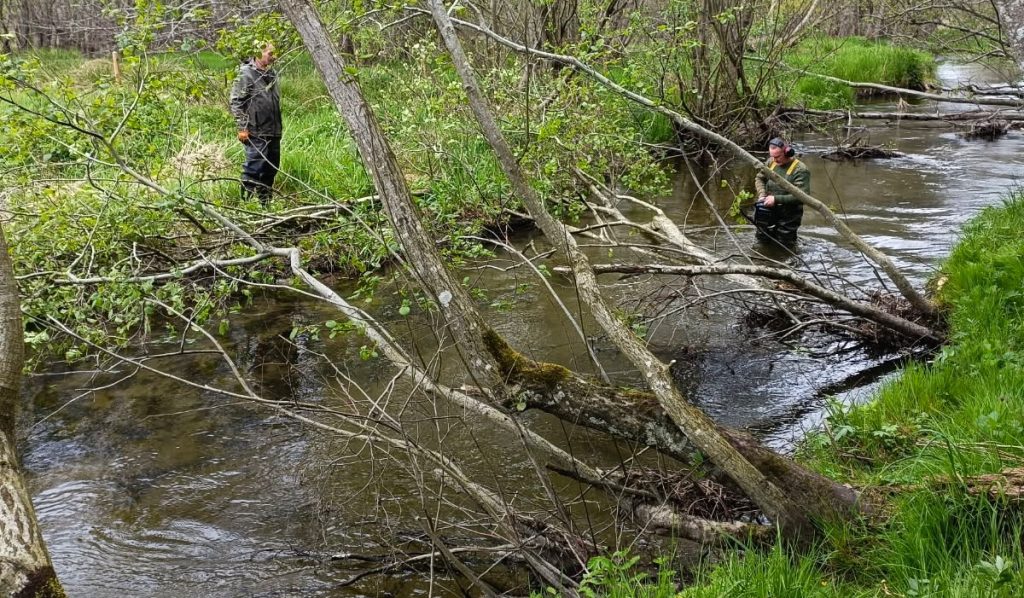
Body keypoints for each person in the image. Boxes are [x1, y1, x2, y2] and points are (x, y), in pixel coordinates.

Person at [230, 42, 282, 205]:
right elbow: (236, 101)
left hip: (273, 130)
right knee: (254, 169)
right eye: (270, 53)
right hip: (255, 131)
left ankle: (265, 204)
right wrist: (242, 127)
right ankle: (245, 204)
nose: (273, 57)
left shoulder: (272, 73)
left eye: (274, 54)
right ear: (258, 53)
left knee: (271, 169)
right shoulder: (246, 73)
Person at [752, 137, 810, 246]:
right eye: (772, 156)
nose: (775, 160)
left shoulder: (801, 170)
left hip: (789, 214)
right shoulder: (770, 162)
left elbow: (803, 196)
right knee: (762, 238)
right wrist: (762, 194)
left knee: (784, 243)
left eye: (778, 157)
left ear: (787, 152)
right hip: (768, 209)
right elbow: (759, 178)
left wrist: (776, 199)